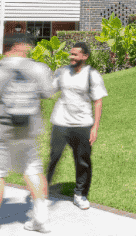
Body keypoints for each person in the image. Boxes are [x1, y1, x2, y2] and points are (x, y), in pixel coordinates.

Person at [0, 33, 55, 235]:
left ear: (7, 47)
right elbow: (48, 94)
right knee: (33, 171)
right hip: (28, 131)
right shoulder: (39, 68)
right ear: (21, 46)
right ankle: (40, 220)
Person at [46, 41, 108, 210]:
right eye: (71, 54)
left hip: (82, 124)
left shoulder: (92, 75)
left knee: (82, 161)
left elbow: (98, 102)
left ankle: (80, 195)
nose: (71, 57)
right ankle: (43, 192)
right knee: (54, 157)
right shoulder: (62, 72)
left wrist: (95, 128)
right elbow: (50, 90)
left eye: (75, 54)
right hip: (60, 122)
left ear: (85, 56)